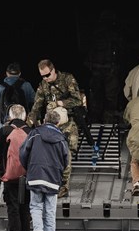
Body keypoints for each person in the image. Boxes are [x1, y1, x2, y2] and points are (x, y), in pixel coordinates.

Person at [27, 59, 92, 198]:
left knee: (67, 153)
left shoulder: (68, 79)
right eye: (43, 76)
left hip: (69, 120)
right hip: (51, 123)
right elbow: (37, 105)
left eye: (47, 75)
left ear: (53, 70)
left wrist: (59, 103)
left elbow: (77, 99)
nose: (46, 78)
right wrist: (30, 120)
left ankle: (63, 185)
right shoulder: (43, 85)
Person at [19, 110, 69, 231]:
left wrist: (29, 167)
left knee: (35, 206)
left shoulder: (35, 133)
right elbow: (66, 160)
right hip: (53, 177)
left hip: (35, 175)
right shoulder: (61, 138)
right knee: (50, 210)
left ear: (44, 120)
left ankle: (38, 230)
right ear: (58, 122)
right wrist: (59, 171)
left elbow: (23, 152)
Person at [0, 104, 31, 231]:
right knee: (25, 207)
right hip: (26, 176)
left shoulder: (4, 131)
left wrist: (4, 166)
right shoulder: (30, 131)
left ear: (10, 116)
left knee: (13, 207)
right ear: (24, 116)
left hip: (9, 175)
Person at [85, 10, 124, 123]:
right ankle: (106, 120)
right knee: (109, 98)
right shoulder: (113, 33)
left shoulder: (96, 32)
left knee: (98, 97)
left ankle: (97, 119)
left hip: (99, 69)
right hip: (108, 69)